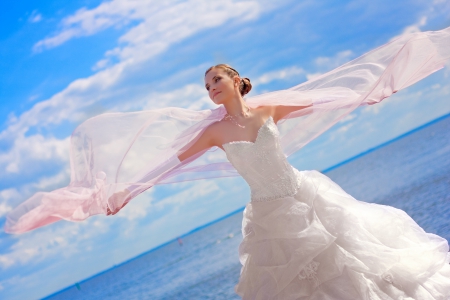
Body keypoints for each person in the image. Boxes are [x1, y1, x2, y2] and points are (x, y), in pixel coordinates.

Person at [5, 27, 450, 299]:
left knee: (355, 266)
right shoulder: (213, 132)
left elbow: (320, 98)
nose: (211, 88)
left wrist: (368, 94)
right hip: (271, 216)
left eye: (216, 79)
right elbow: (168, 165)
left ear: (237, 80)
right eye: (206, 86)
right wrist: (126, 191)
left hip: (305, 196)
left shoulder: (268, 110)